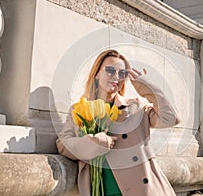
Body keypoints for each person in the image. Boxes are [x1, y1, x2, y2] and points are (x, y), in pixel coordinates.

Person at [56, 49, 181, 196]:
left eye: (122, 73)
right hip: (100, 191)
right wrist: (93, 142)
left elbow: (170, 118)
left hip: (142, 191)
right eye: (110, 70)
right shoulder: (80, 109)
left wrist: (147, 88)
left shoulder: (136, 107)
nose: (116, 77)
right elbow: (63, 145)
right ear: (97, 74)